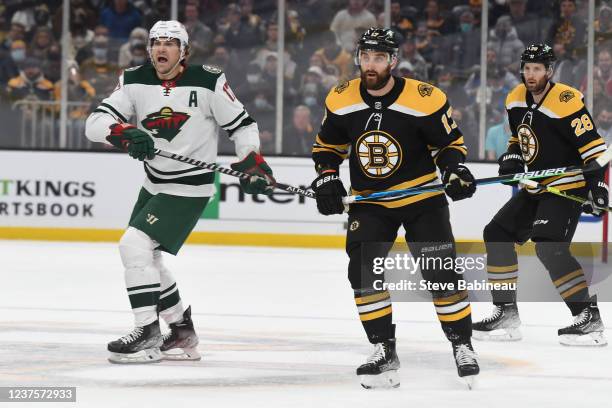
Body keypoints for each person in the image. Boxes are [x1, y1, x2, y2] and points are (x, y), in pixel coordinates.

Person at [85, 20, 275, 364]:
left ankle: (147, 332)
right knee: (149, 257)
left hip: (190, 186)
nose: (161, 48)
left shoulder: (208, 80)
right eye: (156, 42)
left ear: (184, 51)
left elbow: (242, 125)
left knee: (133, 245)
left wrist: (251, 163)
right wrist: (124, 132)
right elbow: (94, 124)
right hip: (154, 182)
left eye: (171, 43)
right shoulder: (133, 79)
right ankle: (181, 330)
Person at [311, 27, 479, 389]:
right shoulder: (341, 98)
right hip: (371, 204)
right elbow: (327, 147)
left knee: (441, 273)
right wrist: (326, 176)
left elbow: (450, 145)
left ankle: (462, 344)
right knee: (361, 272)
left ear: (393, 61)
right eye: (366, 57)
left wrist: (453, 170)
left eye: (379, 58)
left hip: (422, 199)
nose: (370, 65)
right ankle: (383, 348)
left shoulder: (425, 98)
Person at [472, 44, 608, 347]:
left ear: (549, 70)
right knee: (496, 233)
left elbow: (594, 150)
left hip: (565, 187)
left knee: (549, 247)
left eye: (537, 68)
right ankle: (505, 310)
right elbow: (518, 138)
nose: (531, 74)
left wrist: (597, 185)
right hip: (535, 186)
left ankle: (588, 317)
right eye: (527, 68)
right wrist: (511, 157)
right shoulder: (515, 97)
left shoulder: (566, 100)